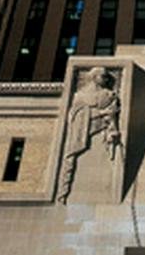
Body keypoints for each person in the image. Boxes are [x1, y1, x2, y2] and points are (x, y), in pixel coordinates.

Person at [58, 67, 120, 203]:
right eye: (103, 76)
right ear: (94, 77)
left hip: (102, 135)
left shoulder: (109, 95)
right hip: (82, 133)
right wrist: (101, 113)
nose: (106, 79)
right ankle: (63, 192)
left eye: (107, 77)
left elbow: (112, 111)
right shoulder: (80, 96)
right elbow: (75, 115)